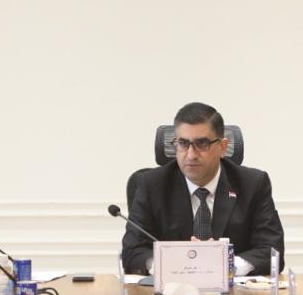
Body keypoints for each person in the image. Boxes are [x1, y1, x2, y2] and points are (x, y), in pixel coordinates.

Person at [121, 102, 285, 276]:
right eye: (183, 143)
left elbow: (272, 251)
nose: (191, 155)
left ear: (223, 147)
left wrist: (226, 265)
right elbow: (132, 252)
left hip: (234, 290)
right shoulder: (152, 184)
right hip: (171, 290)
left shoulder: (253, 184)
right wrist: (170, 264)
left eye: (202, 144)